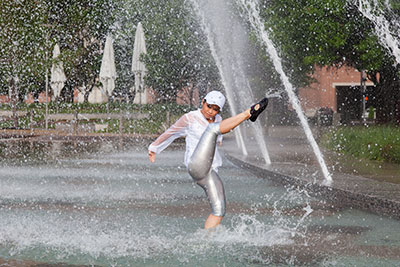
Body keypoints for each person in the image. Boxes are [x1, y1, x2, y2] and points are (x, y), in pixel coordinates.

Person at [148, 91, 268, 229]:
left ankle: (206, 239)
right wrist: (154, 148)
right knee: (212, 130)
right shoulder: (190, 118)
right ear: (203, 102)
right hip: (196, 165)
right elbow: (171, 132)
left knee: (219, 210)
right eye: (209, 106)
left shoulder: (218, 120)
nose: (211, 111)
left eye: (215, 109)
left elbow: (220, 134)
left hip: (209, 172)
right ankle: (249, 113)